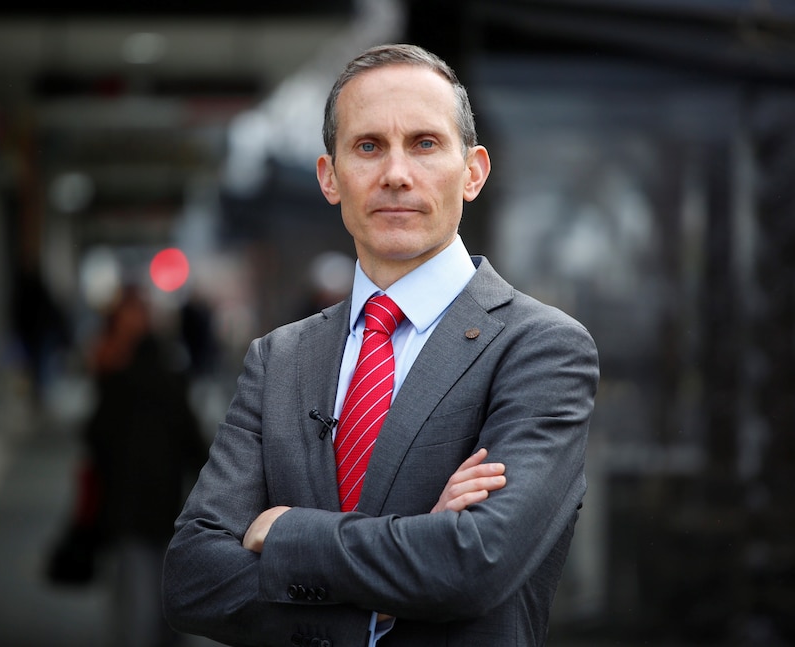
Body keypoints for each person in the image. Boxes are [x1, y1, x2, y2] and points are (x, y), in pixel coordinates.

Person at [162, 43, 599, 647]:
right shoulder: (278, 359)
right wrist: (390, 587)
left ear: (472, 172)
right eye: (368, 147)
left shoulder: (541, 350)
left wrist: (287, 533)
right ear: (330, 177)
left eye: (424, 144)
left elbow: (474, 565)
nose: (396, 173)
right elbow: (191, 578)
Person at [85, 288, 209, 647]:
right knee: (163, 589)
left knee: (136, 597)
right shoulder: (171, 375)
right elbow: (193, 443)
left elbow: (96, 437)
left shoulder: (115, 378)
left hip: (127, 502)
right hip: (167, 500)